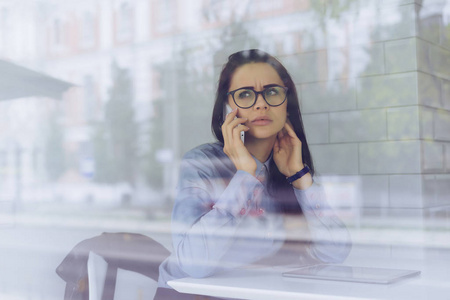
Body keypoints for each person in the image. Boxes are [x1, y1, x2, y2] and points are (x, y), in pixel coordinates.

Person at [155, 49, 351, 299]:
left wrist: (301, 179)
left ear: (287, 105)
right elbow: (195, 265)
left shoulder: (290, 166)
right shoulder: (201, 164)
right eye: (245, 94)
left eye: (272, 92)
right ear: (227, 107)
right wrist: (245, 177)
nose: (261, 103)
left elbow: (335, 253)